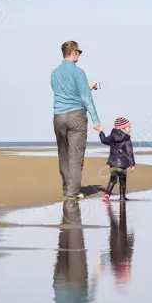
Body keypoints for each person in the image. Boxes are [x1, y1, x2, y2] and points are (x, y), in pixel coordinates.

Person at [51, 40, 102, 199]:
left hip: (58, 116)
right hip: (76, 116)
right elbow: (85, 98)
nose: (79, 55)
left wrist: (87, 86)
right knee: (76, 155)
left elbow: (66, 92)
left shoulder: (54, 73)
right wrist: (96, 120)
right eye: (78, 52)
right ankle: (72, 192)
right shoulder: (79, 72)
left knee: (63, 154)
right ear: (73, 52)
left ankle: (67, 189)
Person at [52, 199, 97, 303]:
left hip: (63, 282)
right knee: (71, 242)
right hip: (71, 284)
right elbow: (88, 299)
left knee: (66, 243)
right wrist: (96, 277)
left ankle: (70, 210)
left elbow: (87, 301)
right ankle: (71, 209)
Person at [98, 117, 136, 201]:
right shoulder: (127, 139)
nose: (130, 129)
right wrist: (132, 164)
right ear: (122, 128)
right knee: (122, 181)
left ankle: (107, 195)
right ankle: (122, 197)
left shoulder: (112, 136)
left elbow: (104, 140)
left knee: (112, 180)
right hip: (122, 166)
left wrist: (101, 131)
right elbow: (129, 152)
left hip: (113, 165)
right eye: (128, 127)